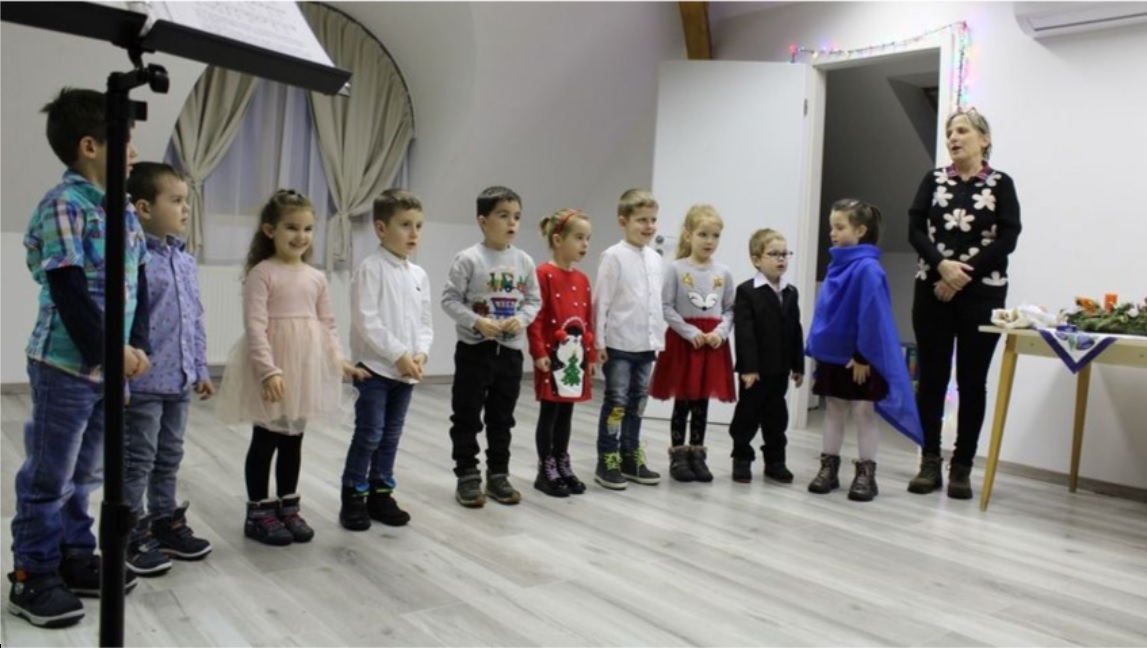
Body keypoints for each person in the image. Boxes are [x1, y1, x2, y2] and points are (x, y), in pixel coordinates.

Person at [9, 88, 149, 628]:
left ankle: (73, 553)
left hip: (107, 367)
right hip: (65, 367)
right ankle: (32, 573)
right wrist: (110, 352)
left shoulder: (123, 209)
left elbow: (137, 282)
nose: (134, 153)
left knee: (87, 472)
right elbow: (67, 290)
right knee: (49, 475)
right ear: (91, 146)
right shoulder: (63, 204)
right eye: (127, 141)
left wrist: (136, 345)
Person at [216, 189, 366, 545]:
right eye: (292, 228)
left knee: (293, 440)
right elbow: (255, 326)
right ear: (270, 230)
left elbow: (327, 323)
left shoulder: (315, 277)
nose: (301, 236)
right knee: (266, 439)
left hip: (305, 368)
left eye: (308, 229)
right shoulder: (262, 273)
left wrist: (336, 359)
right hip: (274, 368)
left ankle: (288, 506)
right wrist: (268, 370)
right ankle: (258, 511)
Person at [907, 108, 1022, 500]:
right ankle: (929, 461)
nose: (953, 138)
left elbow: (1008, 237)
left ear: (983, 139)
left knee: (972, 382)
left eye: (962, 131)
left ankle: (962, 466)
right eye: (949, 132)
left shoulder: (1001, 184)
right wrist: (942, 267)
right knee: (932, 379)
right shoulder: (933, 180)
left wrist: (960, 275)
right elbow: (914, 229)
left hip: (983, 295)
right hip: (932, 291)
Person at [123, 162, 215, 577]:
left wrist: (200, 367)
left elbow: (194, 317)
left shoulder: (184, 260)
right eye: (176, 200)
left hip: (178, 381)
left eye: (186, 201)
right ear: (143, 208)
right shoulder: (133, 257)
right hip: (143, 382)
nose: (185, 209)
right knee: (137, 460)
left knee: (170, 456)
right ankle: (131, 531)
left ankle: (164, 521)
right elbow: (127, 320)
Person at [805, 199, 923, 501]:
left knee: (863, 411)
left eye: (839, 227)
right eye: (831, 227)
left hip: (861, 358)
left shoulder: (868, 269)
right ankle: (828, 467)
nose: (832, 233)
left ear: (860, 230)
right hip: (835, 356)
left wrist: (862, 355)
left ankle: (866, 473)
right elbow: (826, 310)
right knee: (834, 407)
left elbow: (872, 315)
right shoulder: (836, 264)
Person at [441, 186, 541, 507]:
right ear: (483, 221)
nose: (512, 222)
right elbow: (449, 300)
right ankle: (467, 474)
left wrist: (521, 319)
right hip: (474, 352)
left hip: (510, 355)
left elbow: (533, 301)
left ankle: (498, 474)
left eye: (516, 217)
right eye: (503, 215)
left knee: (502, 418)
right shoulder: (468, 259)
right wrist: (476, 321)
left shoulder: (524, 261)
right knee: (467, 415)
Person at [339, 189, 433, 530]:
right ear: (381, 228)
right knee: (370, 434)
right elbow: (368, 322)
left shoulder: (419, 275)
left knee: (391, 435)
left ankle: (381, 494)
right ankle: (353, 496)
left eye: (418, 225)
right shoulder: (370, 269)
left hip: (406, 373)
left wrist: (420, 353)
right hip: (374, 370)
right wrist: (399, 354)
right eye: (405, 225)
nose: (413, 233)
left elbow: (425, 322)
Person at [648, 204, 735, 483]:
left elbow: (730, 309)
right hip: (685, 344)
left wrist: (720, 332)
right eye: (703, 234)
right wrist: (689, 331)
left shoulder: (724, 272)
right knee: (683, 400)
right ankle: (678, 454)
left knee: (701, 400)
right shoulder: (676, 269)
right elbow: (666, 306)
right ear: (688, 235)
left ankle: (698, 453)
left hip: (711, 345)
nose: (710, 241)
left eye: (715, 235)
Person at [592, 189, 666, 489]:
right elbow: (601, 302)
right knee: (617, 402)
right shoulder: (613, 256)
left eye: (653, 220)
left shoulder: (655, 258)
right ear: (623, 221)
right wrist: (598, 343)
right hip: (619, 345)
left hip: (646, 346)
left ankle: (630, 456)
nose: (649, 226)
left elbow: (655, 302)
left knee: (638, 403)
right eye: (641, 220)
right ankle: (607, 459)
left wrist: (658, 338)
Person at [527, 208, 595, 497]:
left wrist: (590, 356)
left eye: (587, 238)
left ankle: (562, 462)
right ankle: (546, 468)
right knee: (550, 412)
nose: (585, 244)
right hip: (553, 356)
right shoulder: (543, 274)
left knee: (566, 412)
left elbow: (588, 320)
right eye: (579, 237)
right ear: (558, 239)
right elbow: (536, 318)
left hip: (575, 358)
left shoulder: (583, 279)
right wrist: (539, 352)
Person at [728, 228, 804, 484]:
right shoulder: (747, 291)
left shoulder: (791, 292)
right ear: (756, 259)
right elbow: (745, 333)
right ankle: (742, 457)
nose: (781, 259)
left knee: (777, 417)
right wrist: (748, 368)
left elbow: (795, 328)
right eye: (773, 254)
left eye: (784, 254)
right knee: (747, 416)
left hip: (780, 368)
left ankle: (775, 461)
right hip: (755, 371)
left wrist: (798, 365)